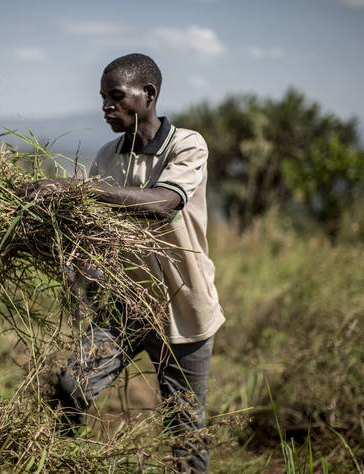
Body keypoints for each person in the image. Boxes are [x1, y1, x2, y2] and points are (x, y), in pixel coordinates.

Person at [23, 53, 225, 472]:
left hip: (184, 311)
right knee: (70, 388)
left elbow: (162, 204)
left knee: (185, 433)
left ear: (148, 95)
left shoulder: (187, 145)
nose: (106, 107)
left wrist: (74, 189)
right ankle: (62, 461)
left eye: (116, 96)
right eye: (103, 98)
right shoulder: (108, 156)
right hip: (127, 306)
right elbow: (92, 227)